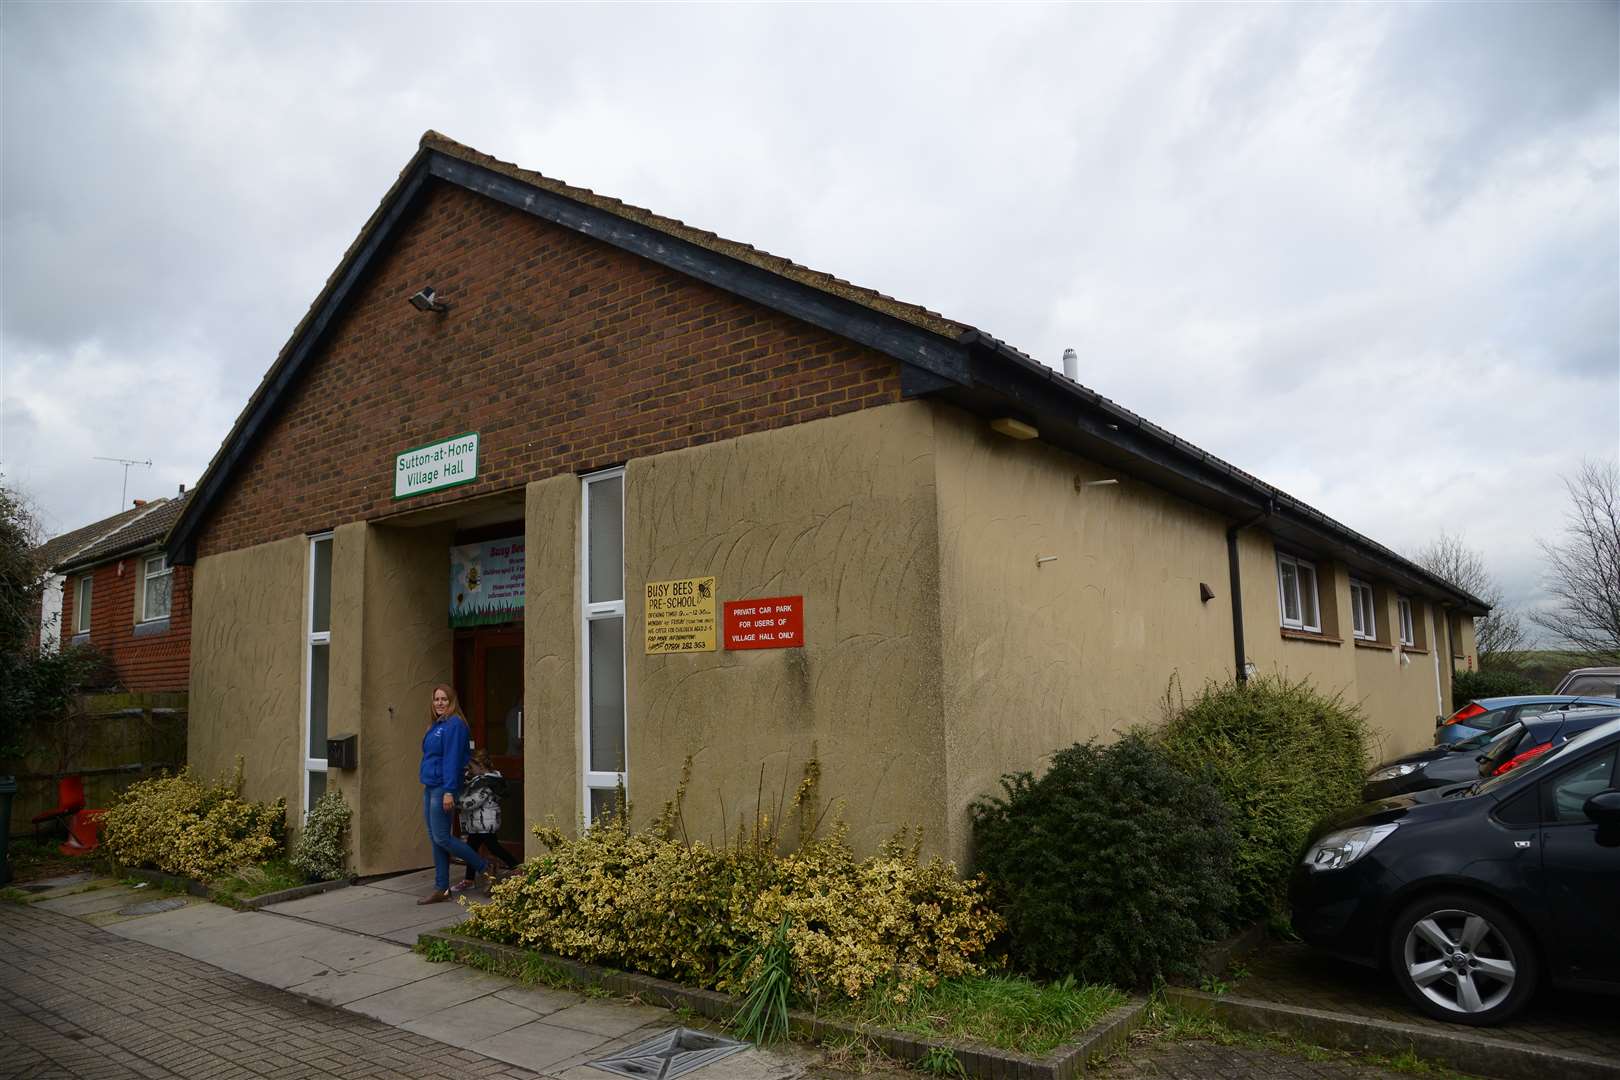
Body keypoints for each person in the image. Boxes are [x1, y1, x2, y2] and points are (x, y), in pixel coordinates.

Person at [417, 683, 491, 904]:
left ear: (452, 702)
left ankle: (486, 868)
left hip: (443, 787)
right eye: (436, 699)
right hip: (430, 785)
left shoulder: (455, 725)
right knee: (436, 838)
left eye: (444, 699)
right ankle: (442, 888)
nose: (439, 703)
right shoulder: (437, 725)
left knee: (442, 836)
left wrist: (449, 791)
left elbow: (452, 760)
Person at [452, 749, 521, 892]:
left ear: (481, 766)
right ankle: (469, 879)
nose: (469, 770)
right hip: (477, 824)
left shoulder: (487, 783)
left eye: (471, 767)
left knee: (493, 847)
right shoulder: (478, 780)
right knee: (471, 850)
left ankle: (516, 866)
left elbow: (473, 801)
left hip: (485, 823)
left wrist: (456, 801)